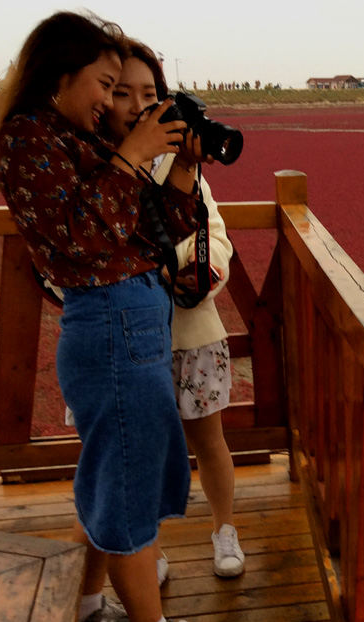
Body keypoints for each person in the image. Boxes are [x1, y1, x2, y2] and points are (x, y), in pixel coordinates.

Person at [0, 11, 227, 622]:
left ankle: (92, 609)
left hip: (135, 325)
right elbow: (80, 239)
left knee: (118, 474)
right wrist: (131, 154)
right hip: (112, 328)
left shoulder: (78, 142)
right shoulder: (24, 143)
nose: (111, 100)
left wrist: (179, 168)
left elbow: (154, 233)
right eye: (106, 83)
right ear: (61, 76)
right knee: (125, 483)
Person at [102, 40, 244, 581]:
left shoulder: (182, 164)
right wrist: (157, 268)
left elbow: (215, 237)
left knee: (210, 440)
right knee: (136, 449)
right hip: (127, 337)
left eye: (150, 93)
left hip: (192, 328)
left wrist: (186, 273)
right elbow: (104, 248)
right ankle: (148, 548)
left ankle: (223, 530)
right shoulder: (95, 170)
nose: (138, 106)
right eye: (121, 93)